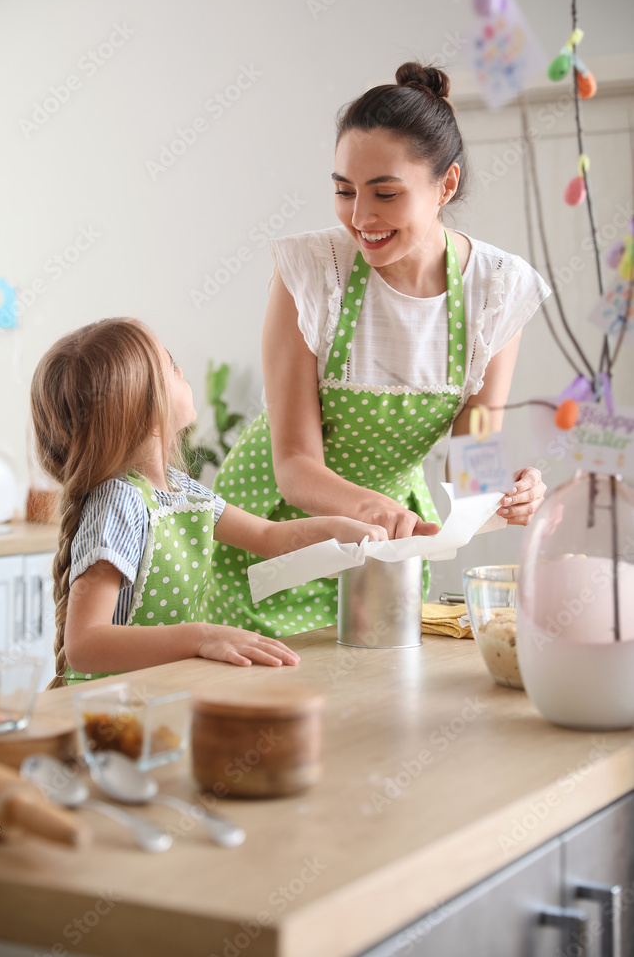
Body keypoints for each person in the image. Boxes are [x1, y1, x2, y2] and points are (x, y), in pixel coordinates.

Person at [202, 61, 550, 636]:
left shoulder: (495, 291)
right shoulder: (313, 273)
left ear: (446, 185)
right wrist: (375, 510)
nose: (360, 218)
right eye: (344, 191)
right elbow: (294, 468)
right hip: (270, 533)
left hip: (383, 553)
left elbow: (472, 460)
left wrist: (505, 495)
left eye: (385, 194)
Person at [30, 318, 386, 686]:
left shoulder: (183, 492)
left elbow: (271, 537)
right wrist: (200, 637)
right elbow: (85, 645)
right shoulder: (120, 502)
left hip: (155, 694)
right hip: (108, 710)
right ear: (147, 414)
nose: (181, 369)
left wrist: (345, 531)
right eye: (169, 364)